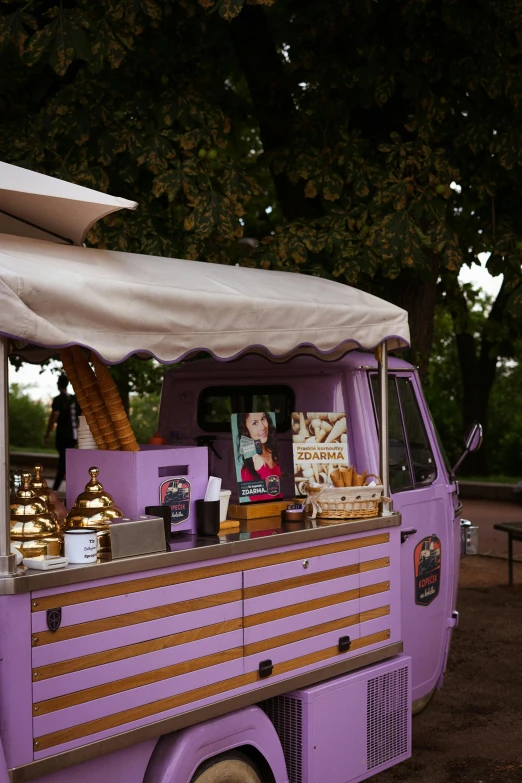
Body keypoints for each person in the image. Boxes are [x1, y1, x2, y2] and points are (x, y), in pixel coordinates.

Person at [44, 374, 80, 491]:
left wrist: (48, 433)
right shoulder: (74, 399)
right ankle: (67, 487)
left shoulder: (59, 399)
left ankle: (55, 488)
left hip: (63, 435)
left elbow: (54, 416)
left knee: (63, 462)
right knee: (68, 461)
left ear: (58, 385)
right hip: (75, 435)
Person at [237, 411, 283, 501]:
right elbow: (265, 504)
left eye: (263, 418)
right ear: (246, 430)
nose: (263, 427)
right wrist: (264, 471)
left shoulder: (280, 452)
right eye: (255, 423)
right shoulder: (246, 471)